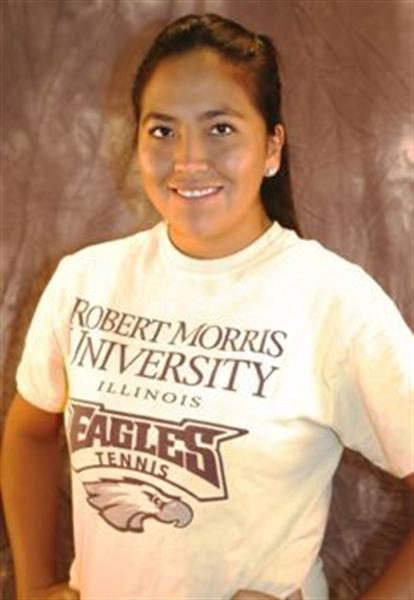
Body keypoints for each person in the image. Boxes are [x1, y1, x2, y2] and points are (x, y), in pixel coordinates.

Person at [1, 12, 413, 600]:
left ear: (272, 146)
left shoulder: (332, 303)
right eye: (162, 130)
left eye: (220, 128)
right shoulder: (85, 282)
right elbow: (29, 433)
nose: (188, 160)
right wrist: (34, 584)